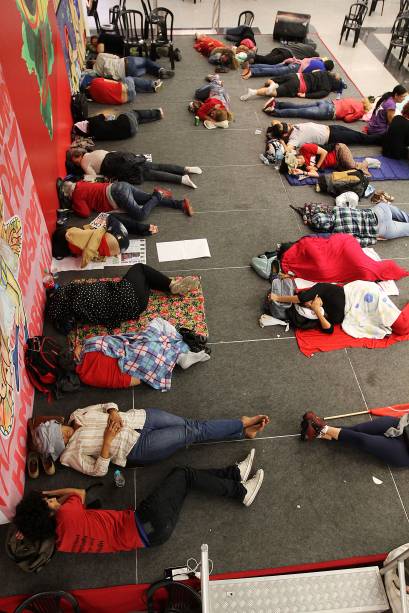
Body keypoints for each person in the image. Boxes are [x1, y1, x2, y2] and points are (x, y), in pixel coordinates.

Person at [12, 451, 265, 553]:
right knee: (182, 474)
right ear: (46, 512)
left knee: (185, 484)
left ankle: (234, 475)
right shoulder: (66, 513)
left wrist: (33, 523)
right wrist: (49, 494)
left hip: (155, 536)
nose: (54, 502)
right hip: (147, 518)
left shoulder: (61, 543)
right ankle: (240, 492)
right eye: (49, 504)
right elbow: (78, 493)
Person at [29, 403, 270, 474]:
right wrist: (107, 440)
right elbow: (98, 470)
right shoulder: (69, 455)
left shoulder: (76, 415)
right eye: (60, 434)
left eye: (59, 428)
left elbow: (107, 405)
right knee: (192, 432)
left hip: (140, 419)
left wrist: (113, 412)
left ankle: (241, 432)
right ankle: (241, 423)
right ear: (58, 444)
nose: (65, 430)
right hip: (137, 448)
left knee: (192, 425)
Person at [46, 263, 201, 334]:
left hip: (135, 308)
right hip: (126, 293)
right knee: (140, 268)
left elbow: (66, 328)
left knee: (146, 281)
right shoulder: (73, 291)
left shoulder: (72, 314)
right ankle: (172, 286)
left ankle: (165, 286)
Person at [75, 318, 211, 390]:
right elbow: (117, 340)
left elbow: (135, 380)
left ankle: (180, 355)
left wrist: (149, 369)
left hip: (146, 365)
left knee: (161, 349)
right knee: (159, 323)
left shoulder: (86, 377)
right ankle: (182, 347)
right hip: (139, 349)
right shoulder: (90, 345)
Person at [269, 280, 409, 337]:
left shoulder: (321, 288)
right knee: (401, 328)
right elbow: (329, 330)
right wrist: (317, 311)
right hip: (356, 313)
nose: (308, 304)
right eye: (307, 307)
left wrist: (277, 298)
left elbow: (301, 298)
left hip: (363, 295)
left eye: (308, 302)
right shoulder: (318, 313)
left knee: (401, 326)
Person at [300, 411, 409, 468]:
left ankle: (320, 428)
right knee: (358, 429)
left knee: (364, 441)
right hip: (401, 425)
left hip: (404, 452)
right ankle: (318, 432)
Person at [66, 149, 203, 189]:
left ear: (76, 158)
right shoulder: (92, 152)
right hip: (122, 157)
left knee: (152, 175)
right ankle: (185, 169)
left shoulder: (84, 162)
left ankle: (181, 179)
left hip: (119, 166)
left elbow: (92, 177)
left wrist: (84, 178)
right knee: (156, 166)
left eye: (74, 161)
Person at [60, 179, 193, 219]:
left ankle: (158, 194)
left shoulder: (76, 195)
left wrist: (73, 206)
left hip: (117, 196)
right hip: (120, 186)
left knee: (141, 215)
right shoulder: (81, 183)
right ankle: (180, 204)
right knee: (148, 199)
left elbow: (85, 213)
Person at [304, 202, 409, 246]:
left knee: (406, 229)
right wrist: (308, 215)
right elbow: (313, 206)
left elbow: (360, 242)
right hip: (381, 210)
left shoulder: (339, 233)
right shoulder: (337, 209)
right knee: (403, 216)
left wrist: (375, 239)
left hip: (383, 229)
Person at [51, 216, 138, 269]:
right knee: (108, 220)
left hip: (119, 246)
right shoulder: (71, 235)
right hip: (116, 239)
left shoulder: (73, 249)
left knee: (104, 226)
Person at [269, 120, 382, 148]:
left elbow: (274, 122)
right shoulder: (294, 139)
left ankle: (381, 138)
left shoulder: (290, 129)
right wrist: (282, 142)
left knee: (358, 135)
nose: (290, 125)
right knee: (360, 138)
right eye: (288, 127)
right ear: (284, 135)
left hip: (332, 128)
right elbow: (288, 149)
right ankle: (382, 139)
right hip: (333, 137)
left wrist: (273, 130)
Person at [240, 71, 346, 101]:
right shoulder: (327, 89)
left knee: (271, 80)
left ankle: (272, 83)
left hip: (296, 76)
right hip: (298, 86)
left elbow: (313, 71)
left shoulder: (324, 72)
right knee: (275, 92)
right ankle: (254, 92)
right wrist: (304, 95)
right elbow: (318, 95)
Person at [280, 143, 370, 177]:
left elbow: (324, 152)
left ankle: (368, 162)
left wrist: (316, 166)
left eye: (298, 160)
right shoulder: (305, 166)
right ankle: (368, 163)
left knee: (352, 167)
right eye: (298, 165)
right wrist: (302, 172)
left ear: (296, 156)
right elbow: (316, 174)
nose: (300, 163)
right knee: (351, 173)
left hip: (339, 150)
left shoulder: (305, 148)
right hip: (337, 164)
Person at [73, 109, 163, 141]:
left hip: (130, 133)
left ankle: (156, 117)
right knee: (135, 113)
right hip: (126, 122)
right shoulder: (93, 121)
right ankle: (157, 112)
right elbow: (104, 115)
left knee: (136, 120)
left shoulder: (93, 136)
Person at [265, 96, 373, 122]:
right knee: (299, 113)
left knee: (298, 106)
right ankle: (274, 112)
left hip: (326, 102)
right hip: (328, 112)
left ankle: (277, 103)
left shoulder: (355, 100)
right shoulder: (361, 111)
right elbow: (347, 119)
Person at [93, 52, 174, 80]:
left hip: (129, 74)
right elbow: (116, 57)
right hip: (127, 62)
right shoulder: (100, 56)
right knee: (146, 61)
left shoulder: (97, 74)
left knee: (146, 69)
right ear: (92, 60)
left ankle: (159, 73)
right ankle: (160, 70)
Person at [84, 76, 162, 104]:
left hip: (127, 99)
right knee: (129, 78)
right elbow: (112, 82)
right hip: (126, 89)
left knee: (132, 86)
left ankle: (150, 87)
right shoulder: (95, 81)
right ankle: (152, 84)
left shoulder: (95, 99)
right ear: (87, 86)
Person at [241, 57, 334, 79]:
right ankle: (252, 72)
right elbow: (312, 74)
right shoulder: (322, 70)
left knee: (273, 67)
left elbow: (307, 59)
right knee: (275, 71)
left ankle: (251, 66)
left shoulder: (319, 60)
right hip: (296, 68)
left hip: (296, 62)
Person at [250, 41, 318, 65]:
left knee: (266, 58)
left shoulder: (301, 44)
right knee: (270, 61)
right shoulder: (311, 50)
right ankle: (253, 56)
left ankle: (252, 60)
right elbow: (317, 56)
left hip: (280, 48)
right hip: (287, 54)